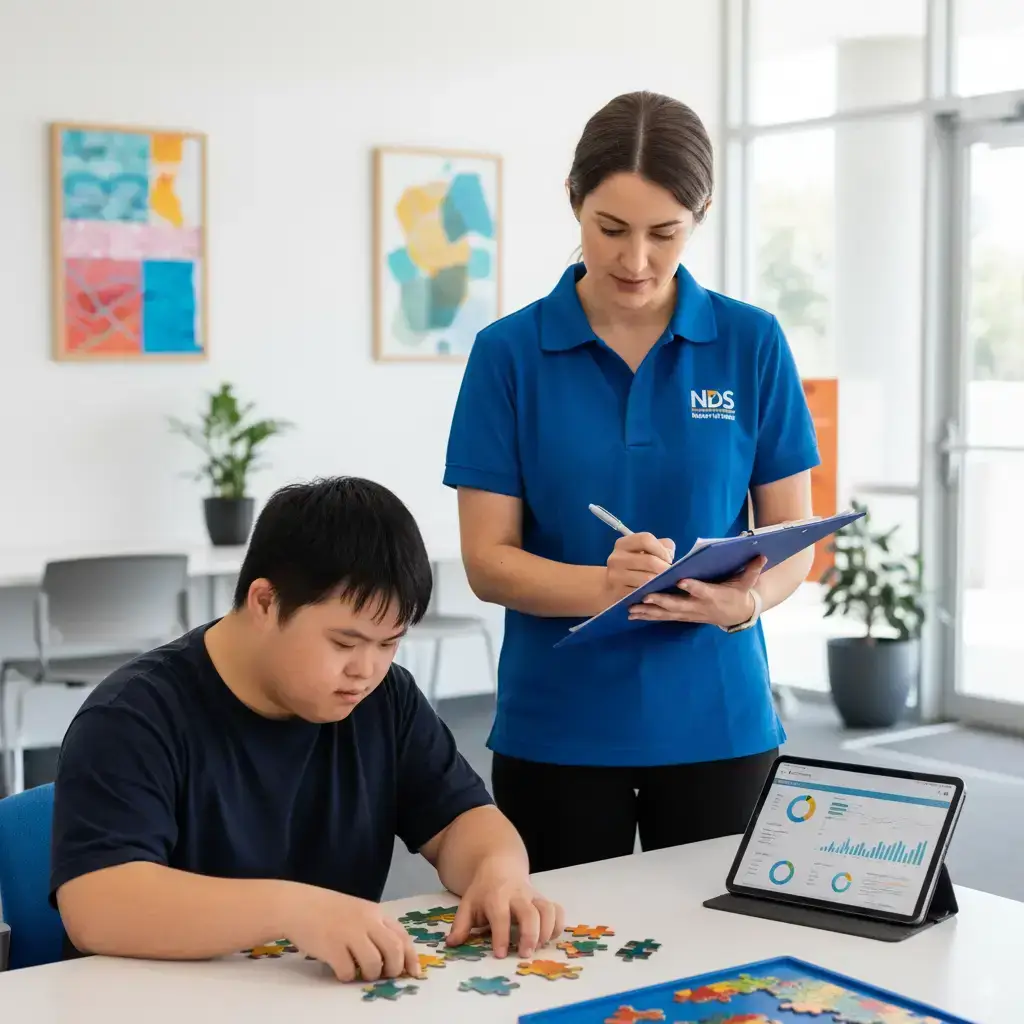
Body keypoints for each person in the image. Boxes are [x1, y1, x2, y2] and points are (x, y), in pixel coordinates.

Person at [444, 91, 820, 874]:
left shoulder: (752, 342)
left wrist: (744, 602)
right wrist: (605, 587)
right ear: (574, 203)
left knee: (728, 970)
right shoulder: (506, 354)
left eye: (666, 233)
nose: (635, 260)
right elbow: (487, 561)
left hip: (721, 723)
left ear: (702, 213)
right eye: (610, 229)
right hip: (558, 731)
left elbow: (795, 543)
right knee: (555, 965)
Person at [50, 476, 564, 981]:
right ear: (265, 603)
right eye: (344, 643)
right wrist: (292, 910)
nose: (366, 670)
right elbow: (96, 904)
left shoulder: (384, 700)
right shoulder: (131, 717)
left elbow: (460, 822)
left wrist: (499, 872)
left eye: (388, 644)